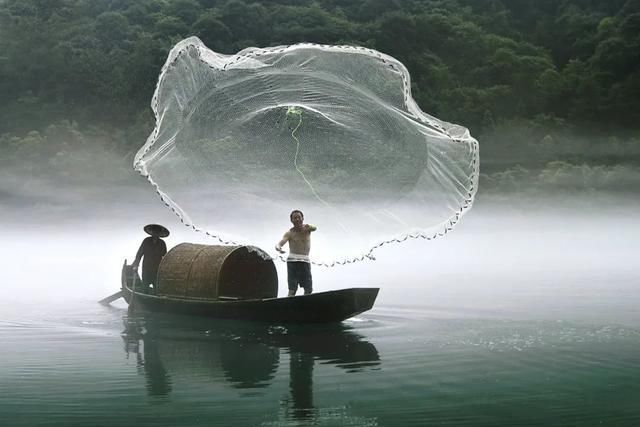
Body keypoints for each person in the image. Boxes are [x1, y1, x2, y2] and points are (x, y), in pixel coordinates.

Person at [276, 210, 317, 296]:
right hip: (292, 261)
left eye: (299, 217)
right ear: (291, 220)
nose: (297, 219)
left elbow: (315, 228)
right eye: (295, 218)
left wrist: (309, 226)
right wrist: (278, 248)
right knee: (292, 289)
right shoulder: (289, 233)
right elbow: (280, 243)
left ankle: (305, 305)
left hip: (305, 261)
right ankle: (288, 306)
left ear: (303, 218)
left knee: (308, 289)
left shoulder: (307, 229)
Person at [132, 224, 169, 293]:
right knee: (145, 287)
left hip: (157, 270)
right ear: (152, 232)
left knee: (157, 288)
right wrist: (136, 264)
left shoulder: (162, 243)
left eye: (157, 232)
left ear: (159, 233)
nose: (155, 233)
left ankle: (155, 301)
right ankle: (144, 300)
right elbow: (139, 254)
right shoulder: (146, 241)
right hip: (146, 268)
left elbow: (165, 257)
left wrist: (166, 269)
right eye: (154, 231)